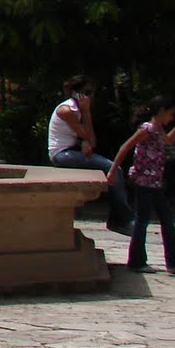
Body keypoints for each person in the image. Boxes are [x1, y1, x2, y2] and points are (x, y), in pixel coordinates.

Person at [107, 96, 175, 274]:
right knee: (143, 221)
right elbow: (125, 147)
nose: (171, 118)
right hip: (144, 182)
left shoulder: (158, 130)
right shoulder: (147, 129)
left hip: (155, 183)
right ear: (161, 111)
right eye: (170, 114)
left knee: (166, 220)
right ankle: (137, 261)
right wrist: (113, 171)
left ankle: (174, 262)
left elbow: (168, 140)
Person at [48, 74, 133, 232]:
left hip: (72, 151)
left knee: (113, 170)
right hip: (62, 154)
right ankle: (122, 218)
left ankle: (118, 217)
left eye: (92, 93)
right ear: (77, 94)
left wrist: (85, 140)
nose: (91, 97)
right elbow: (87, 137)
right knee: (114, 169)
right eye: (87, 93)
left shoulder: (77, 110)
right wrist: (86, 113)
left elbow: (91, 141)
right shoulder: (67, 110)